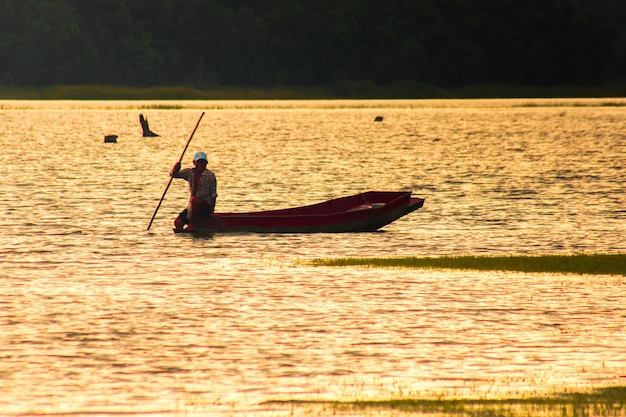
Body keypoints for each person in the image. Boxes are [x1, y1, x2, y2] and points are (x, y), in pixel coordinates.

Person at [170, 151, 217, 230]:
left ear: (206, 163)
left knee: (195, 199)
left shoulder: (210, 175)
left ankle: (193, 224)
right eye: (199, 162)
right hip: (192, 206)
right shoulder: (189, 172)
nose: (201, 165)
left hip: (205, 206)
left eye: (203, 163)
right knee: (177, 222)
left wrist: (211, 212)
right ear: (194, 163)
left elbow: (213, 195)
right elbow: (174, 175)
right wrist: (175, 169)